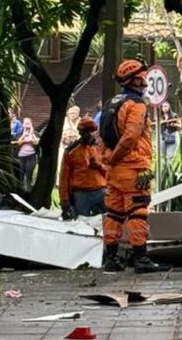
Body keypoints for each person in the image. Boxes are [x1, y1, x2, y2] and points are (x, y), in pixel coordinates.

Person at [102, 59, 169, 273]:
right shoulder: (137, 105)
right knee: (137, 211)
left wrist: (108, 158)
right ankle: (141, 259)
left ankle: (111, 259)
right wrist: (116, 157)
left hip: (114, 172)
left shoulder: (112, 103)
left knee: (114, 212)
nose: (146, 81)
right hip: (134, 168)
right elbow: (131, 135)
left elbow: (101, 134)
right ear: (137, 79)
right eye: (144, 76)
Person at [59, 117, 108, 220]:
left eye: (92, 131)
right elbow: (64, 178)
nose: (89, 134)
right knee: (82, 224)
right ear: (81, 133)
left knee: (107, 223)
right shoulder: (71, 151)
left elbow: (110, 171)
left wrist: (99, 166)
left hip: (101, 191)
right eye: (86, 131)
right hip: (81, 194)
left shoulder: (100, 147)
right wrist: (65, 201)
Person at [15, 118, 40, 190]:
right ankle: (20, 191)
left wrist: (32, 134)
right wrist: (24, 135)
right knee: (20, 175)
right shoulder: (19, 133)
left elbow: (36, 142)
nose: (27, 125)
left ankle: (29, 190)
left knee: (29, 175)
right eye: (25, 123)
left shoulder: (35, 133)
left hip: (31, 156)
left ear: (31, 125)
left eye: (28, 123)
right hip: (20, 157)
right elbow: (18, 143)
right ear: (23, 125)